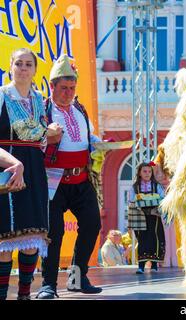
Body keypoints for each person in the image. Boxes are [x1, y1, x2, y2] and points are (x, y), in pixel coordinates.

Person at [37, 55, 102, 299]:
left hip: (81, 180)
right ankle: (48, 285)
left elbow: (87, 138)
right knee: (54, 233)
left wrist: (101, 144)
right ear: (52, 86)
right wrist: (46, 136)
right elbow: (32, 143)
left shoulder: (80, 110)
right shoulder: (42, 111)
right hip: (53, 182)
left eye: (72, 88)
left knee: (92, 224)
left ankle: (77, 279)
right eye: (63, 88)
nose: (68, 93)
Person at [0, 48, 62, 300]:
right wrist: (14, 162)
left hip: (35, 170)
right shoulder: (2, 97)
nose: (23, 68)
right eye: (19, 64)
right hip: (7, 168)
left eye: (28, 64)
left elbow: (41, 141)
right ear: (11, 67)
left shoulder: (39, 100)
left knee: (32, 238)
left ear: (36, 70)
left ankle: (24, 294)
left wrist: (51, 132)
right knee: (5, 241)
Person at [128, 161, 165, 274]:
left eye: (149, 171)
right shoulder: (135, 187)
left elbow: (163, 198)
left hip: (154, 217)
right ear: (139, 173)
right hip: (140, 216)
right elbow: (131, 200)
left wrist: (157, 209)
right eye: (144, 171)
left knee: (154, 239)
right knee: (142, 240)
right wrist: (144, 203)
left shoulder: (156, 186)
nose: (147, 173)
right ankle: (141, 266)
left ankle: (154, 265)